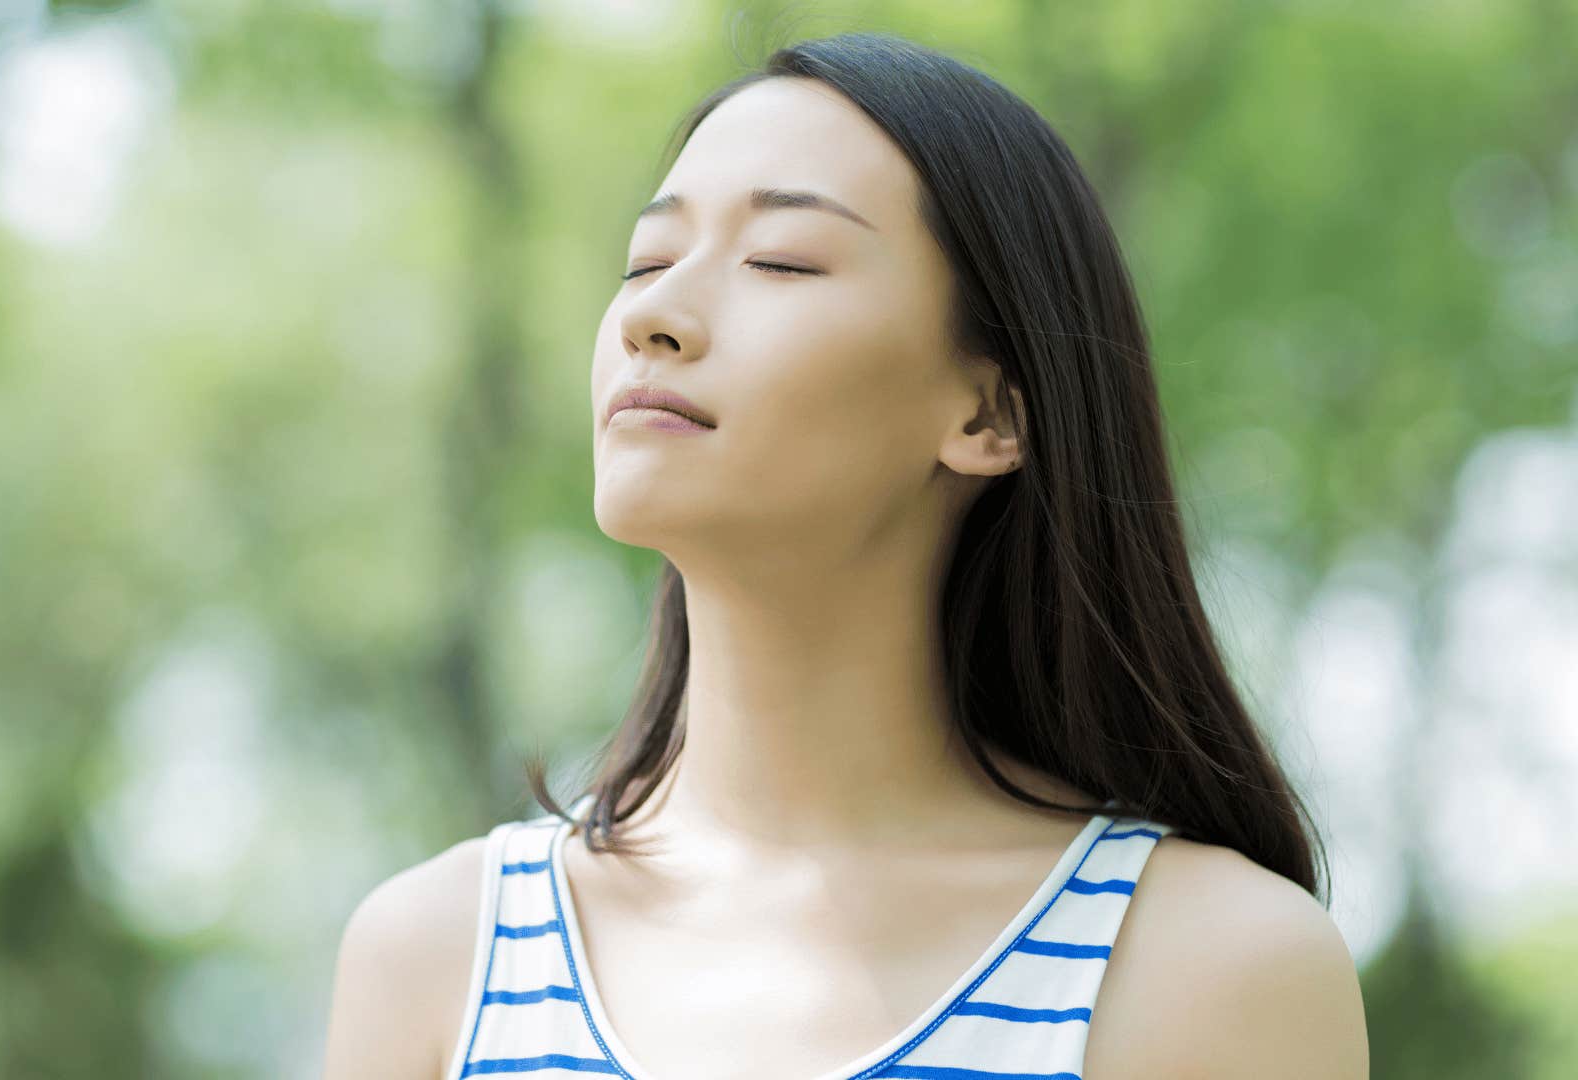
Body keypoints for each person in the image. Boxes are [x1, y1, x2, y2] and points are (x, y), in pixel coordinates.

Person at [323, 30, 1369, 1080]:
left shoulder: (1213, 971)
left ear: (991, 412)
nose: (653, 314)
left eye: (778, 260)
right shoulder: (435, 959)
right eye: (645, 261)